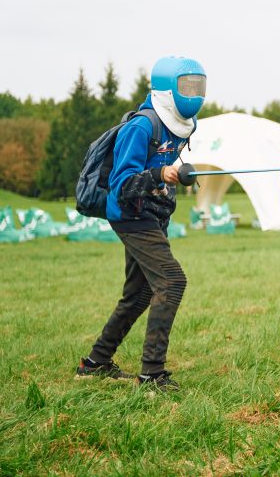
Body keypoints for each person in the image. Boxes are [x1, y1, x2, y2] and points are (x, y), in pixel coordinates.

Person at [76, 56, 207, 391]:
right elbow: (120, 188)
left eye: (197, 86)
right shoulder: (141, 126)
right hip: (129, 214)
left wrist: (167, 178)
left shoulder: (183, 125)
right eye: (186, 86)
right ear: (166, 88)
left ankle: (94, 363)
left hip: (151, 213)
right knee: (172, 281)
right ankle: (151, 374)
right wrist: (159, 174)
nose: (192, 93)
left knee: (140, 292)